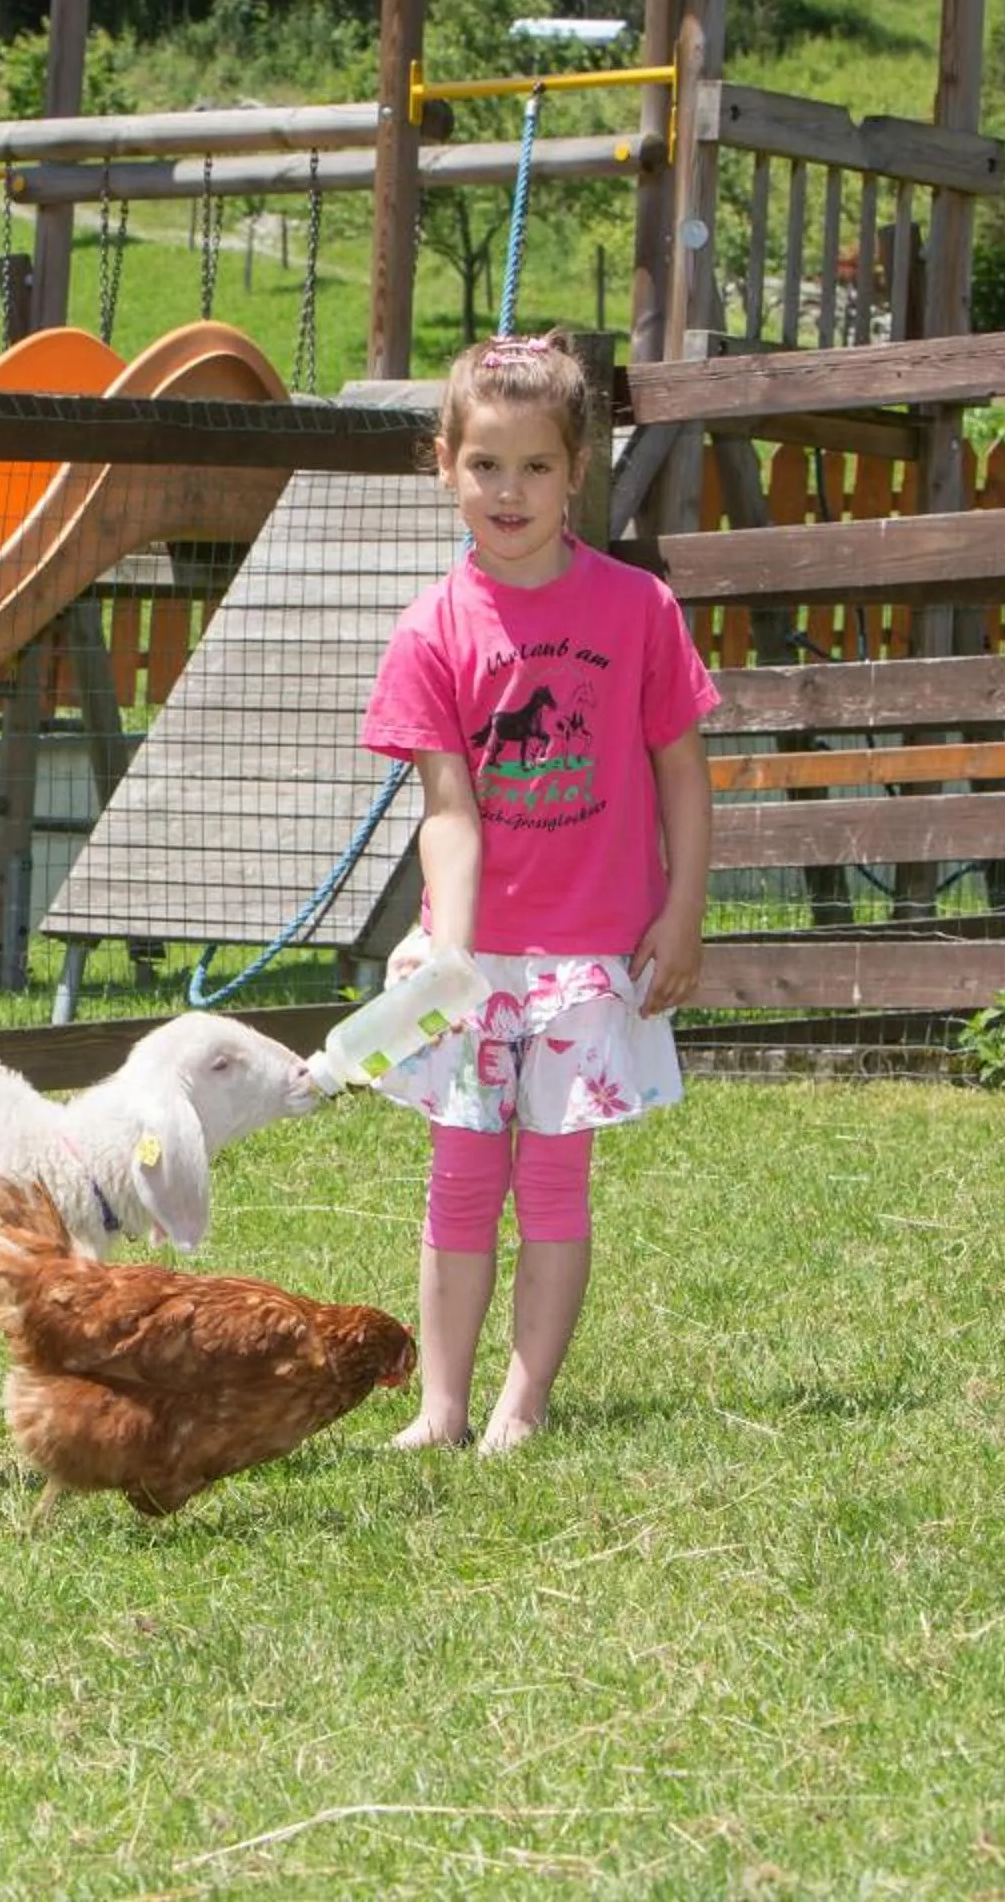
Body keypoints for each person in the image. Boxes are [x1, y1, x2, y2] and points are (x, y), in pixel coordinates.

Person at [358, 329, 717, 1456]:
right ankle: (443, 1403)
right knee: (462, 1181)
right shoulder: (429, 631)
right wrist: (447, 955)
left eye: (536, 468)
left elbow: (681, 770)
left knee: (554, 1186)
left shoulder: (638, 609)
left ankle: (524, 1399)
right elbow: (449, 810)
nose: (509, 492)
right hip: (483, 950)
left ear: (577, 470)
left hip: (591, 954)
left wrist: (684, 909)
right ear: (445, 465)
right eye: (485, 466)